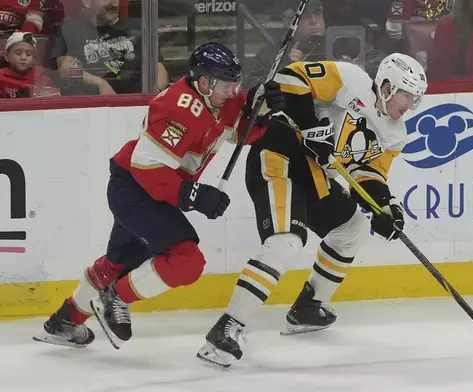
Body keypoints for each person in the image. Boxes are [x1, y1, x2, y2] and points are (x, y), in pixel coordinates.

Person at [32, 42, 285, 349]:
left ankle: (63, 322)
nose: (234, 90)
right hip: (137, 189)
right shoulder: (178, 107)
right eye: (227, 83)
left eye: (236, 82)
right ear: (204, 81)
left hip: (141, 189)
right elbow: (146, 165)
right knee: (187, 261)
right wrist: (193, 194)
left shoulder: (216, 97)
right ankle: (113, 298)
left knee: (117, 262)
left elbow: (238, 129)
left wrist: (261, 112)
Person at [196, 53, 428, 368]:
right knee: (286, 241)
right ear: (387, 86)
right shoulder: (350, 79)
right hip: (279, 156)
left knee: (354, 227)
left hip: (314, 175)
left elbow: (367, 174)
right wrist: (309, 126)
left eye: (416, 99)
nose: (410, 105)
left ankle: (307, 307)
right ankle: (226, 328)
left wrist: (385, 206)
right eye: (408, 96)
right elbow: (291, 78)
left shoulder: (395, 134)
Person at [0, 32, 58, 98]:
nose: (23, 58)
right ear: (6, 56)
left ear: (33, 58)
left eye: (28, 54)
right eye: (18, 53)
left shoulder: (44, 78)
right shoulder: (1, 78)